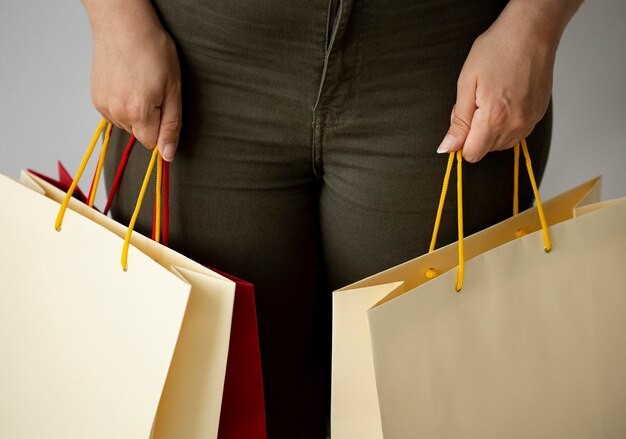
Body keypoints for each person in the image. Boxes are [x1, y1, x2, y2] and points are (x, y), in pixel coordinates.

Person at [82, 0, 582, 437]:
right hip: (198, 59)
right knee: (214, 407)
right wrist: (115, 16)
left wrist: (536, 20)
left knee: (421, 405)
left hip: (445, 62)